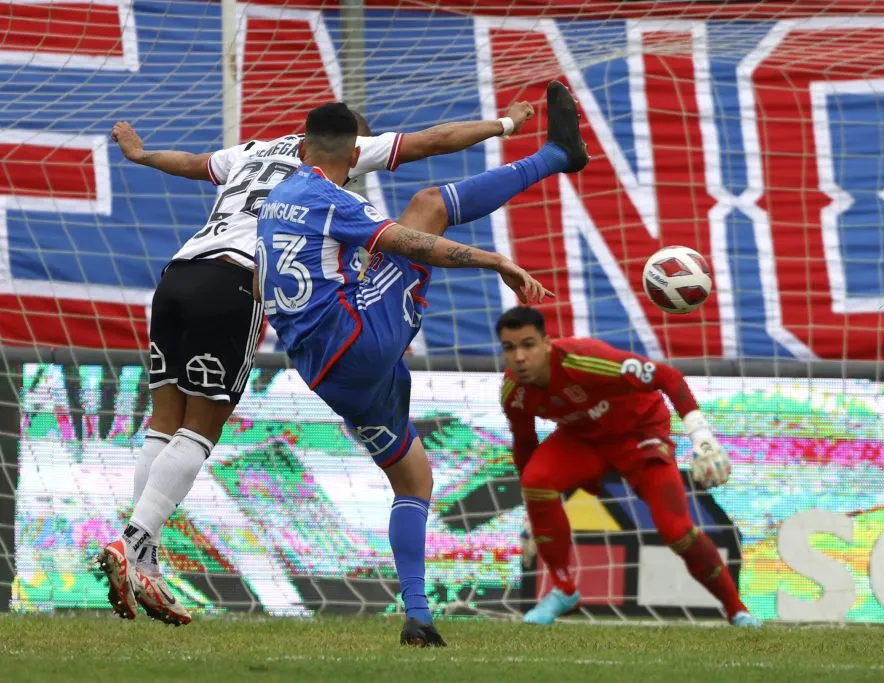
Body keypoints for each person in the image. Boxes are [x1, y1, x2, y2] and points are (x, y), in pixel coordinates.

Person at [97, 102, 537, 626]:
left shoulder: (255, 150)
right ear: (353, 150)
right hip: (235, 282)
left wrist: (142, 155)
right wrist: (506, 125)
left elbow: (192, 163)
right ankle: (133, 543)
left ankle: (143, 559)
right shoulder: (335, 166)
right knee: (199, 430)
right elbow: (436, 140)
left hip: (178, 274)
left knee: (162, 423)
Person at [255, 82, 589, 646]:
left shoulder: (277, 195)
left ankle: (418, 616)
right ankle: (557, 156)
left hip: (323, 372)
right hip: (359, 339)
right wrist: (495, 260)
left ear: (303, 148)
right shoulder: (339, 201)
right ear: (354, 154)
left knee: (414, 477)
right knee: (429, 208)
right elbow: (416, 241)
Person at [495, 306, 761, 628]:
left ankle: (736, 609)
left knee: (677, 533)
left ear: (547, 343)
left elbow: (668, 376)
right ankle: (564, 589)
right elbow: (525, 444)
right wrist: (533, 513)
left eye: (528, 344)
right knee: (536, 480)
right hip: (583, 441)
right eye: (510, 348)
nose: (520, 357)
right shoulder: (514, 393)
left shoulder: (586, 359)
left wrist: (702, 438)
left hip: (640, 435)